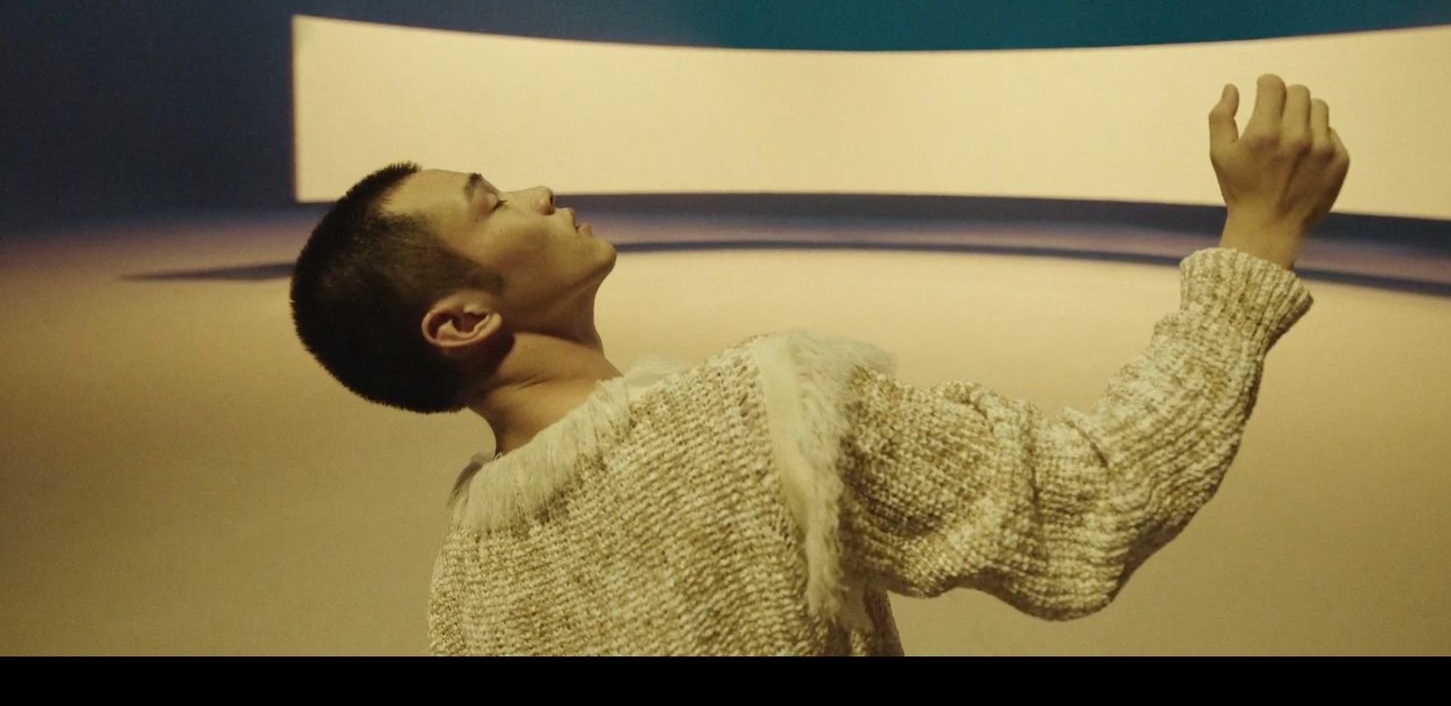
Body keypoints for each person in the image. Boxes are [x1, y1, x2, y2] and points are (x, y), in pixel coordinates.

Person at [288, 74, 1349, 655]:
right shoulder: (761, 414)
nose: (534, 190)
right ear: (462, 321)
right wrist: (1258, 235)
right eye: (489, 203)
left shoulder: (470, 590)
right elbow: (1091, 503)